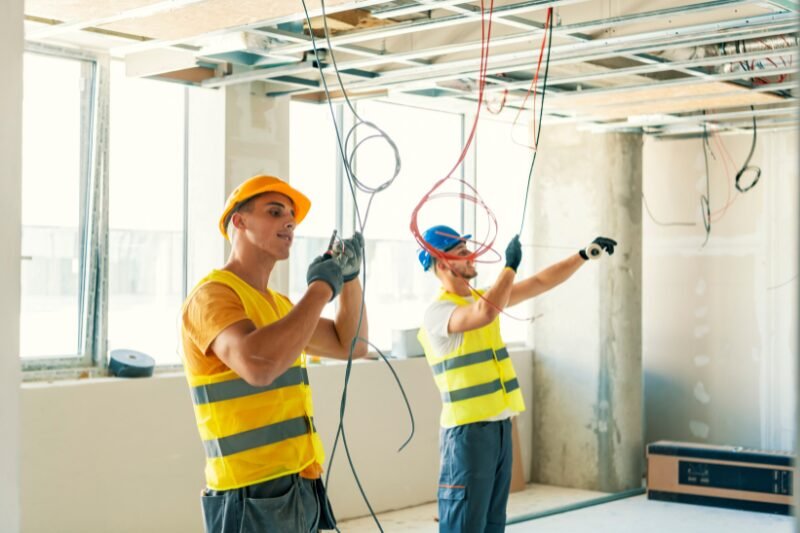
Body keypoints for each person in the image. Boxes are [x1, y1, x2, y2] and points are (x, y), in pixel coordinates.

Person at [180, 174, 368, 532]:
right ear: (239, 220)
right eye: (275, 211)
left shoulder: (281, 307)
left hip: (300, 484)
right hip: (249, 494)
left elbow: (352, 344)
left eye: (292, 217)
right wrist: (321, 287)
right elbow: (258, 366)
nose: (290, 222)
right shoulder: (212, 296)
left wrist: (349, 277)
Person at [416, 225, 616, 533]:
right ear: (442, 264)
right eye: (461, 253)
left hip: (498, 428)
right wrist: (509, 266)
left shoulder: (483, 299)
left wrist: (582, 255)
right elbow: (484, 314)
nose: (472, 256)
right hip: (467, 435)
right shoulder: (439, 312)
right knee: (464, 524)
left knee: (493, 524)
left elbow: (539, 282)